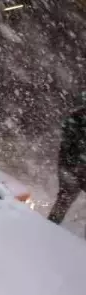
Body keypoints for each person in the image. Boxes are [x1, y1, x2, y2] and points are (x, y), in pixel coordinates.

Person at [49, 96, 86, 230]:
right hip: (72, 168)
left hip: (71, 167)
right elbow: (67, 145)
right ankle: (50, 228)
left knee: (63, 201)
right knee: (64, 200)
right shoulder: (76, 119)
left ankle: (50, 226)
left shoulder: (74, 118)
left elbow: (66, 145)